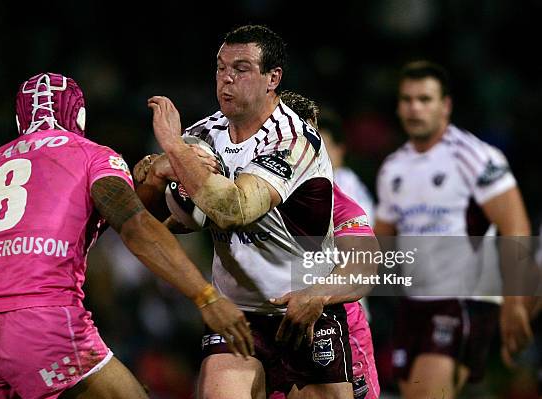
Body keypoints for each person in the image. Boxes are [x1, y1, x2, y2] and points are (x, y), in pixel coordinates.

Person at [0, 72, 253, 399]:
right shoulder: (91, 154)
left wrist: (152, 183)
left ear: (18, 119)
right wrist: (205, 297)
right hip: (41, 324)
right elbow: (134, 227)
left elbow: (77, 231)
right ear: (80, 115)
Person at [142, 24, 378, 399]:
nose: (227, 79)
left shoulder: (295, 141)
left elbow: (233, 209)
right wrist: (154, 179)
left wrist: (172, 145)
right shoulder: (203, 136)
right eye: (221, 68)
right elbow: (166, 220)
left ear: (273, 79)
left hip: (304, 312)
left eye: (241, 68)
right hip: (239, 316)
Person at [374, 60, 532, 399]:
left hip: (462, 300)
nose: (414, 108)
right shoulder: (392, 168)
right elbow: (377, 242)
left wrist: (516, 299)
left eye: (425, 99)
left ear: (445, 105)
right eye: (407, 99)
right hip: (413, 303)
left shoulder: (475, 156)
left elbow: (515, 223)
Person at [279, 90, 380, 399]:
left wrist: (316, 294)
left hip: (339, 321)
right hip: (272, 325)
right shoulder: (250, 187)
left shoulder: (341, 191)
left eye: (314, 142)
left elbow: (365, 264)